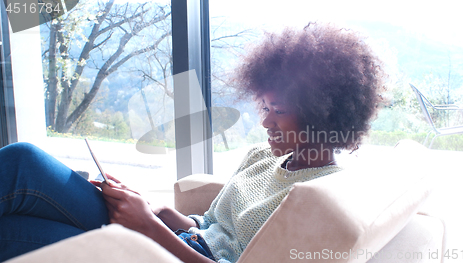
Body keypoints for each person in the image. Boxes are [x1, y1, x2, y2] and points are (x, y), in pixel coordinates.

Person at [0, 23, 384, 262]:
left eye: (278, 109)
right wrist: (151, 209)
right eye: (263, 106)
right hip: (172, 237)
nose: (265, 120)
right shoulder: (260, 158)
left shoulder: (315, 197)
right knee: (24, 161)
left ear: (323, 112)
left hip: (165, 253)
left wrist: (148, 226)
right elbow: (209, 226)